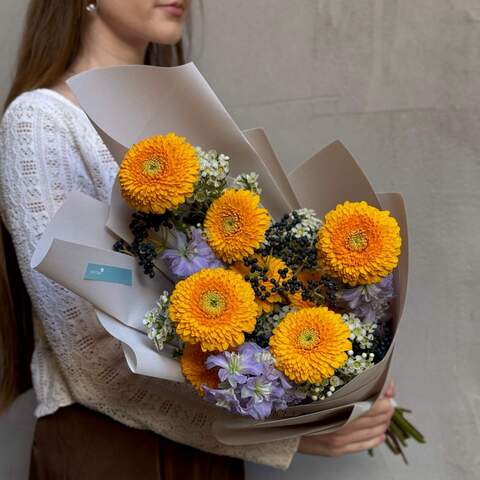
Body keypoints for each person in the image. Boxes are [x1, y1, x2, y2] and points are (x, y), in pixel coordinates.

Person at [0, 1, 395, 478]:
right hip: (110, 452)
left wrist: (334, 373)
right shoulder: (41, 120)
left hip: (210, 455)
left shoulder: (182, 126)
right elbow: (89, 360)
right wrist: (291, 435)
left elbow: (249, 284)